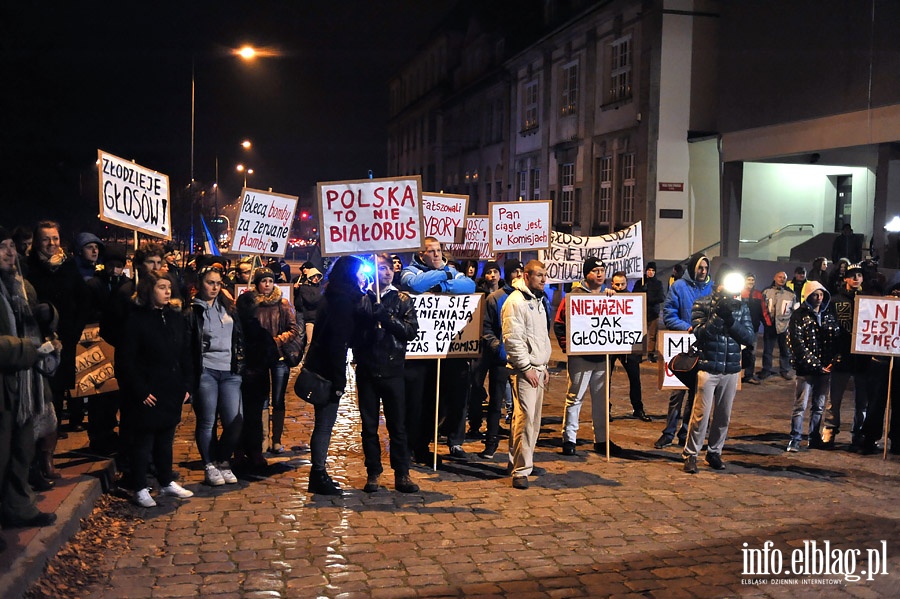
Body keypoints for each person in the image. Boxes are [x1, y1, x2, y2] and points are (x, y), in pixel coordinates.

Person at [115, 271, 194, 507]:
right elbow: (125, 360)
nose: (167, 291)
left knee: (165, 439)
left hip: (171, 387)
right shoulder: (136, 319)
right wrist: (139, 390)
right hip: (147, 390)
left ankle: (166, 481)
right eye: (161, 287)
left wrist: (187, 384)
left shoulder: (174, 317)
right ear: (150, 290)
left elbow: (185, 353)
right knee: (143, 442)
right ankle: (140, 487)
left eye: (169, 287)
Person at [0, 226, 58, 536]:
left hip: (25, 386)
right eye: (3, 247)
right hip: (5, 386)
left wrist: (50, 315)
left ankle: (17, 506)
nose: (11, 252)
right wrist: (27, 349)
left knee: (22, 450)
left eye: (12, 246)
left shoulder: (22, 287)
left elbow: (40, 325)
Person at [400, 237, 476, 462]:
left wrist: (441, 284)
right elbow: (415, 285)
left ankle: (423, 446)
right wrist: (445, 273)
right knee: (415, 402)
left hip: (441, 351)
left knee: (436, 402)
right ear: (421, 254)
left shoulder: (448, 270)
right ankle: (409, 447)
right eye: (431, 251)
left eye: (439, 250)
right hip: (417, 353)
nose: (436, 255)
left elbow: (469, 286)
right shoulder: (409, 271)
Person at [353, 254, 420, 493]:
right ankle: (373, 473)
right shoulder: (362, 299)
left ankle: (402, 473)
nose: (388, 272)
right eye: (382, 268)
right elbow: (353, 336)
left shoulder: (402, 299)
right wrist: (368, 319)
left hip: (393, 370)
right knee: (369, 426)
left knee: (397, 426)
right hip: (368, 370)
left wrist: (387, 318)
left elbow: (411, 331)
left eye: (390, 268)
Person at [303, 255, 367, 495]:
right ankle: (318, 474)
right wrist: (339, 381)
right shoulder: (341, 301)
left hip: (323, 366)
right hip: (327, 370)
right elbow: (337, 344)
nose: (363, 277)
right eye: (360, 272)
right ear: (351, 274)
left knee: (323, 423)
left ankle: (318, 473)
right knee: (324, 424)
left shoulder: (335, 294)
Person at [682, 266, 755, 473]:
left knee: (723, 415)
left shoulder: (741, 307)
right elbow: (701, 334)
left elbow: (748, 337)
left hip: (731, 368)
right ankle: (691, 454)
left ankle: (715, 452)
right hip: (708, 367)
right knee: (700, 415)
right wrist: (718, 316)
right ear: (719, 284)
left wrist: (730, 320)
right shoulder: (702, 304)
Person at [554, 258, 624, 457]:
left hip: (602, 358)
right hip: (581, 358)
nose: (600, 274)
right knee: (575, 398)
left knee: (602, 401)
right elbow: (560, 324)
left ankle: (602, 440)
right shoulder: (573, 297)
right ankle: (569, 439)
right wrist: (570, 347)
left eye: (602, 270)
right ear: (587, 274)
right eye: (595, 270)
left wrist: (614, 296)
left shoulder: (608, 295)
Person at [26, 221, 89, 436]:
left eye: (55, 238)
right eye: (46, 239)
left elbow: (83, 301)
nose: (52, 243)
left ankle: (52, 438)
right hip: (38, 340)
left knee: (59, 389)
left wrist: (72, 333)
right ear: (36, 242)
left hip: (65, 339)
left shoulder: (69, 266)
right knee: (41, 391)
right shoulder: (28, 267)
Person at [236, 267, 304, 463]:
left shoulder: (282, 303)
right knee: (262, 399)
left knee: (279, 399)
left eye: (269, 281)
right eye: (263, 281)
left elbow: (293, 329)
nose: (266, 284)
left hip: (279, 356)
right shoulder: (252, 304)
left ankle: (277, 439)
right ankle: (262, 439)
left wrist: (276, 341)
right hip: (259, 357)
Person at [188, 264, 245, 486]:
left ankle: (223, 460)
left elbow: (239, 335)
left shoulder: (228, 306)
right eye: (210, 283)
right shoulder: (193, 310)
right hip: (206, 371)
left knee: (235, 421)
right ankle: (210, 464)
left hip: (230, 371)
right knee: (207, 420)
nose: (214, 287)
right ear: (200, 284)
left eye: (218, 283)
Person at [654, 253, 712, 449]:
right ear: (693, 268)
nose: (703, 272)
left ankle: (686, 432)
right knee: (677, 394)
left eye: (706, 268)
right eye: (700, 268)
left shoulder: (713, 288)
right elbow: (669, 314)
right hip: (682, 346)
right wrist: (686, 327)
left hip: (704, 348)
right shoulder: (679, 287)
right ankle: (669, 432)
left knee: (697, 394)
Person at [503, 260, 551, 489]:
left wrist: (544, 364)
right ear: (526, 276)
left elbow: (539, 336)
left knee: (531, 419)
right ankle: (521, 470)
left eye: (545, 275)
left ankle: (518, 461)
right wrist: (526, 367)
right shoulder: (516, 302)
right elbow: (513, 339)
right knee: (526, 419)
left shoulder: (538, 300)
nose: (544, 279)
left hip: (537, 368)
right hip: (525, 371)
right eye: (540, 275)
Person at [476, 260, 523, 459]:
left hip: (523, 359)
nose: (519, 275)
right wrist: (500, 349)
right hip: (501, 358)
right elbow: (486, 328)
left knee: (521, 405)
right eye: (515, 272)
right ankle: (491, 442)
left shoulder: (532, 298)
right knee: (496, 401)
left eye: (522, 271)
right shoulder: (496, 298)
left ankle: (520, 446)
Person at [786, 280, 839, 452]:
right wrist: (816, 365)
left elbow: (835, 340)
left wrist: (832, 361)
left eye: (821, 294)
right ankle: (795, 439)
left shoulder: (829, 315)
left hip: (824, 369)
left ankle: (813, 437)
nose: (818, 298)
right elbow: (797, 343)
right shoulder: (799, 315)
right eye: (815, 294)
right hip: (806, 369)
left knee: (819, 406)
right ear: (808, 296)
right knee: (800, 406)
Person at [822, 263, 870, 449]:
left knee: (862, 400)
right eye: (852, 275)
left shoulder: (869, 301)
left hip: (863, 358)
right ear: (845, 279)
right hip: (841, 355)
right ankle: (829, 431)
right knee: (834, 397)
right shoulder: (835, 301)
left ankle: (858, 433)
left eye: (859, 275)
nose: (856, 278)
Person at [608, 271, 650, 422]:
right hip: (611, 345)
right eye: (617, 284)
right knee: (607, 380)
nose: (619, 287)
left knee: (635, 379)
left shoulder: (633, 300)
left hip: (628, 345)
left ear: (627, 284)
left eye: (622, 284)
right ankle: (606, 410)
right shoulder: (607, 297)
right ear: (612, 284)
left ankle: (638, 409)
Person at [759, 271, 795, 381]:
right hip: (770, 325)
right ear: (775, 278)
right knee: (768, 350)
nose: (782, 279)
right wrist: (765, 322)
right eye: (780, 277)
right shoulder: (766, 291)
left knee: (785, 349)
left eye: (784, 277)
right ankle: (766, 370)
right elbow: (761, 307)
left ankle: (784, 370)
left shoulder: (791, 294)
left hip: (784, 326)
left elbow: (794, 310)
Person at [631, 261, 665, 362]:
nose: (650, 272)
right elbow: (634, 294)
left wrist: (648, 297)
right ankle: (640, 352)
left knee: (652, 335)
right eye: (649, 270)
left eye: (652, 270)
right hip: (642, 312)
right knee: (642, 334)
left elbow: (661, 297)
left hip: (653, 312)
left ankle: (650, 353)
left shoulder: (658, 284)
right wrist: (641, 291)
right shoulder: (640, 282)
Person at [740, 273, 769, 385]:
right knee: (738, 352)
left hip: (753, 329)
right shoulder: (739, 293)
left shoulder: (758, 295)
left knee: (751, 353)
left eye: (752, 280)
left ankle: (749, 375)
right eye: (749, 280)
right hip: (739, 329)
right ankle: (737, 377)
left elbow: (763, 311)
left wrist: (768, 324)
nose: (751, 282)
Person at [294, 266, 323, 346]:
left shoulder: (320, 287)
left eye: (317, 276)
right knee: (309, 342)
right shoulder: (304, 288)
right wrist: (321, 297)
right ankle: (303, 357)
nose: (316, 278)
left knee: (318, 342)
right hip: (310, 318)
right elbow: (310, 301)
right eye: (314, 276)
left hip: (319, 317)